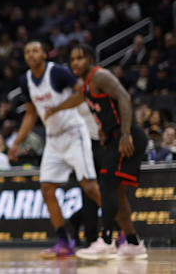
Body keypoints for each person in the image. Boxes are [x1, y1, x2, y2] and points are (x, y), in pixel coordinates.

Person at [45, 44, 148, 260]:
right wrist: (55, 109)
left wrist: (125, 133)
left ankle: (107, 241)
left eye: (80, 58)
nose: (75, 63)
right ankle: (132, 243)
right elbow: (78, 100)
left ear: (90, 59)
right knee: (117, 192)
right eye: (72, 59)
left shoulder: (100, 76)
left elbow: (124, 97)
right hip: (114, 137)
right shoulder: (86, 86)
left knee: (107, 185)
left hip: (127, 137)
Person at [8, 41, 100, 258]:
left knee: (89, 186)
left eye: (35, 50)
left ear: (44, 53)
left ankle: (123, 232)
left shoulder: (58, 71)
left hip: (74, 132)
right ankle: (63, 241)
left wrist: (58, 108)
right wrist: (16, 142)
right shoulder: (26, 80)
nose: (31, 54)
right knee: (47, 189)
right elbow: (31, 113)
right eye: (27, 52)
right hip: (53, 139)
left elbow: (82, 92)